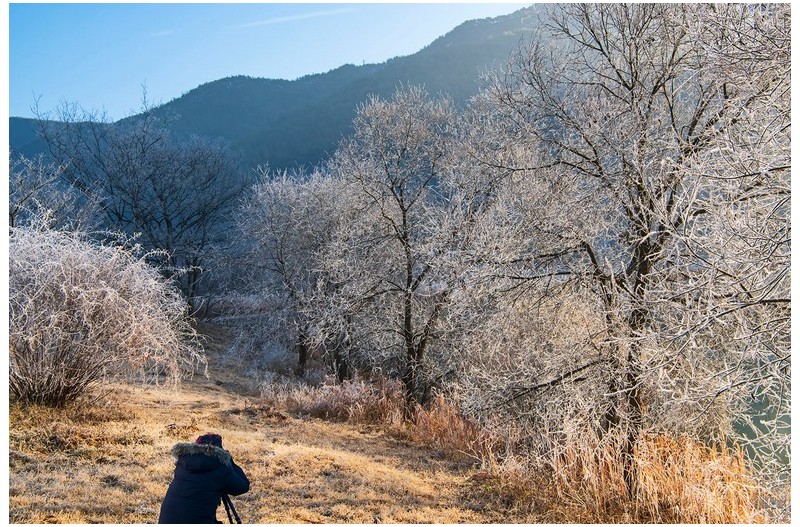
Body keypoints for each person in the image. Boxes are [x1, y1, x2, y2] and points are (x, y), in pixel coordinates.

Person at [158, 433, 250, 524]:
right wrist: (228, 460)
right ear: (219, 450)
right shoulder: (219, 466)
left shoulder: (183, 463)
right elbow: (243, 487)